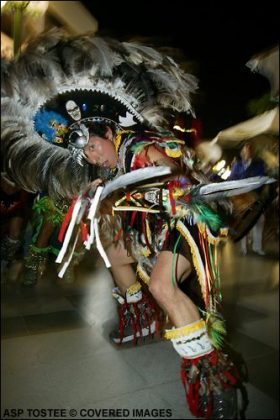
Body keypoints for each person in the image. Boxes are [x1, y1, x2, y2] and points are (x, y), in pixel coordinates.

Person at [3, 29, 271, 419]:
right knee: (112, 252)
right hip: (152, 229)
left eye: (94, 147)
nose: (93, 157)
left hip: (185, 222)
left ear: (110, 132)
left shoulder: (140, 146)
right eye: (87, 155)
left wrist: (165, 169)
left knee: (163, 285)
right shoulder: (108, 166)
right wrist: (98, 194)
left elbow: (168, 163)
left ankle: (214, 378)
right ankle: (139, 321)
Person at [229, 143, 266, 255]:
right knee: (243, 221)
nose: (247, 153)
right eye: (245, 151)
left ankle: (257, 247)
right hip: (240, 198)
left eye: (249, 151)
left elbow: (260, 178)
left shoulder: (259, 164)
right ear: (242, 153)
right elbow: (231, 178)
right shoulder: (237, 165)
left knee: (259, 220)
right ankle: (243, 248)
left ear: (252, 153)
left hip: (254, 196)